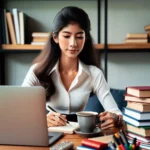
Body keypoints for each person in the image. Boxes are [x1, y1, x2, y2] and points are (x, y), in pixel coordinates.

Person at [22, 6, 123, 130]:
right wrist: (41, 119)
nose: (73, 44)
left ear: (86, 39)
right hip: (48, 134)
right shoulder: (37, 71)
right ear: (55, 37)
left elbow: (116, 112)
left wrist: (115, 118)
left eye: (79, 37)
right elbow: (19, 111)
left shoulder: (94, 74)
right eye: (66, 36)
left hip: (81, 134)